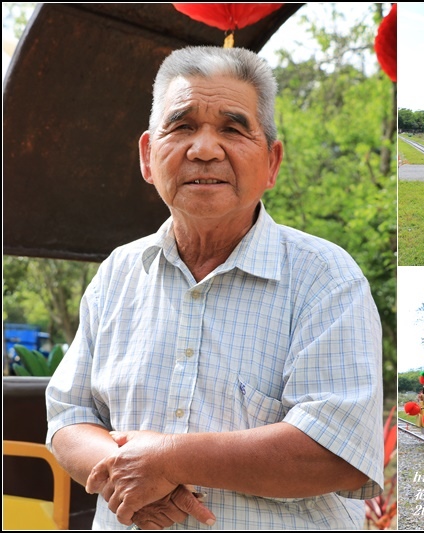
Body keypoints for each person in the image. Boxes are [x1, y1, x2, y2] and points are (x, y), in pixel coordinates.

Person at [46, 46, 384, 530]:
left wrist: (167, 460)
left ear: (272, 161)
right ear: (147, 155)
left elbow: (338, 450)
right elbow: (68, 414)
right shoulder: (118, 273)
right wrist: (127, 473)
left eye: (232, 128)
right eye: (182, 126)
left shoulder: (325, 277)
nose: (204, 148)